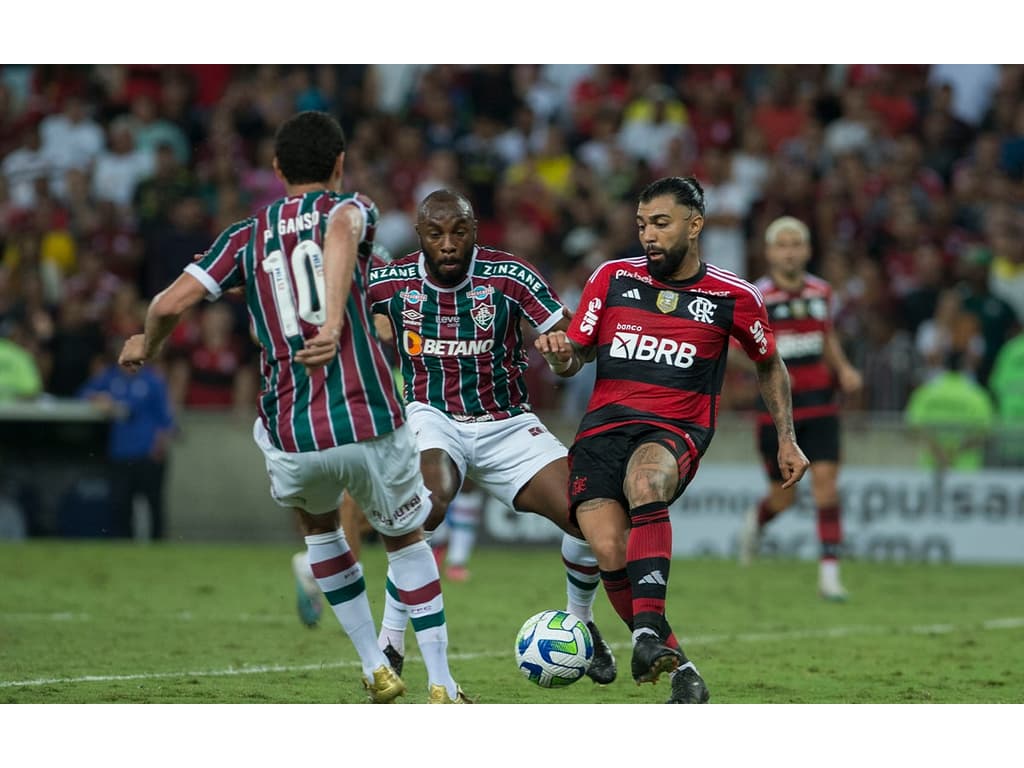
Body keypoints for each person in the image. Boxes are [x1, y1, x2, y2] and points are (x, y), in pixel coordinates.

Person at [118, 111, 467, 704]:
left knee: (319, 531)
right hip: (368, 416)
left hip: (291, 430)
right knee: (407, 539)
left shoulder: (244, 236)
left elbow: (170, 301)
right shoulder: (349, 207)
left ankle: (373, 667)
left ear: (277, 169)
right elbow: (340, 233)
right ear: (339, 165)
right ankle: (441, 684)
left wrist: (145, 344)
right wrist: (332, 320)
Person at [535, 176, 809, 704]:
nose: (649, 236)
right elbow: (577, 356)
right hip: (601, 431)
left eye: (661, 223)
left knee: (646, 482)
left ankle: (642, 634)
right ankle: (681, 670)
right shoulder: (612, 278)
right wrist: (559, 354)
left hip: (674, 429)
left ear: (695, 224)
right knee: (610, 549)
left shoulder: (734, 297)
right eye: (642, 225)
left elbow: (769, 366)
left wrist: (787, 440)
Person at [343, 188, 617, 685]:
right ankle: (391, 640)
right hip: (432, 415)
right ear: (421, 236)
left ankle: (582, 622)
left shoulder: (511, 277)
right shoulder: (391, 280)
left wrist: (562, 355)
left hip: (508, 423)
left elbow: (579, 347)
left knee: (588, 515)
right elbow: (323, 301)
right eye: (435, 233)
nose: (448, 243)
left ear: (475, 232)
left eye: (459, 232)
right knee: (429, 502)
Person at [736, 216, 863, 602]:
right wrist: (770, 364)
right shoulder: (755, 296)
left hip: (821, 404)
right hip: (776, 412)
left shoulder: (822, 291)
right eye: (782, 245)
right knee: (783, 499)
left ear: (807, 250)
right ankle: (756, 524)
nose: (790, 252)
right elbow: (735, 350)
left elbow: (826, 335)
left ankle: (829, 576)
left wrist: (842, 369)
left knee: (826, 488)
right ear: (770, 252)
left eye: (796, 244)